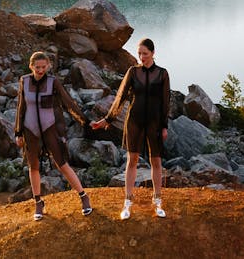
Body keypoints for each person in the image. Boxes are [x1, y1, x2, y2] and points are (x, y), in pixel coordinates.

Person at [91, 38, 170, 220]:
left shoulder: (162, 74)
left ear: (153, 53)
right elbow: (120, 98)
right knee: (132, 160)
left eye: (145, 54)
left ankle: (157, 201)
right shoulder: (133, 72)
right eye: (140, 53)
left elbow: (166, 102)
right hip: (134, 120)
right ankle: (128, 201)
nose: (142, 57)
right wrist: (107, 119)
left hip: (154, 122)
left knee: (156, 161)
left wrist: (164, 126)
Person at [14, 50, 93, 221]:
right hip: (30, 129)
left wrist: (84, 121)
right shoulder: (24, 81)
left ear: (48, 66)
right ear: (31, 66)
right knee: (33, 167)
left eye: (43, 67)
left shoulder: (53, 82)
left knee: (62, 164)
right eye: (37, 67)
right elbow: (21, 107)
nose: (41, 70)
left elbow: (68, 103)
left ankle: (83, 196)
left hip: (50, 128)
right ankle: (38, 202)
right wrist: (18, 132)